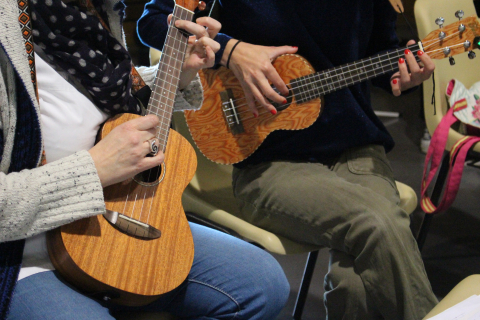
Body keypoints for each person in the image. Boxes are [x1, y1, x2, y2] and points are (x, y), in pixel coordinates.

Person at [138, 1, 438, 319]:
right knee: (378, 223)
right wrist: (231, 51)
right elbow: (153, 23)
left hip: (356, 148)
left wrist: (404, 75)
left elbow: (380, 53)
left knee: (357, 283)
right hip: (267, 161)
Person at [0, 0, 291, 319]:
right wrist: (94, 170)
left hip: (113, 213)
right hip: (24, 252)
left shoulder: (92, 10)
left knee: (264, 283)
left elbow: (108, 97)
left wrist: (174, 75)